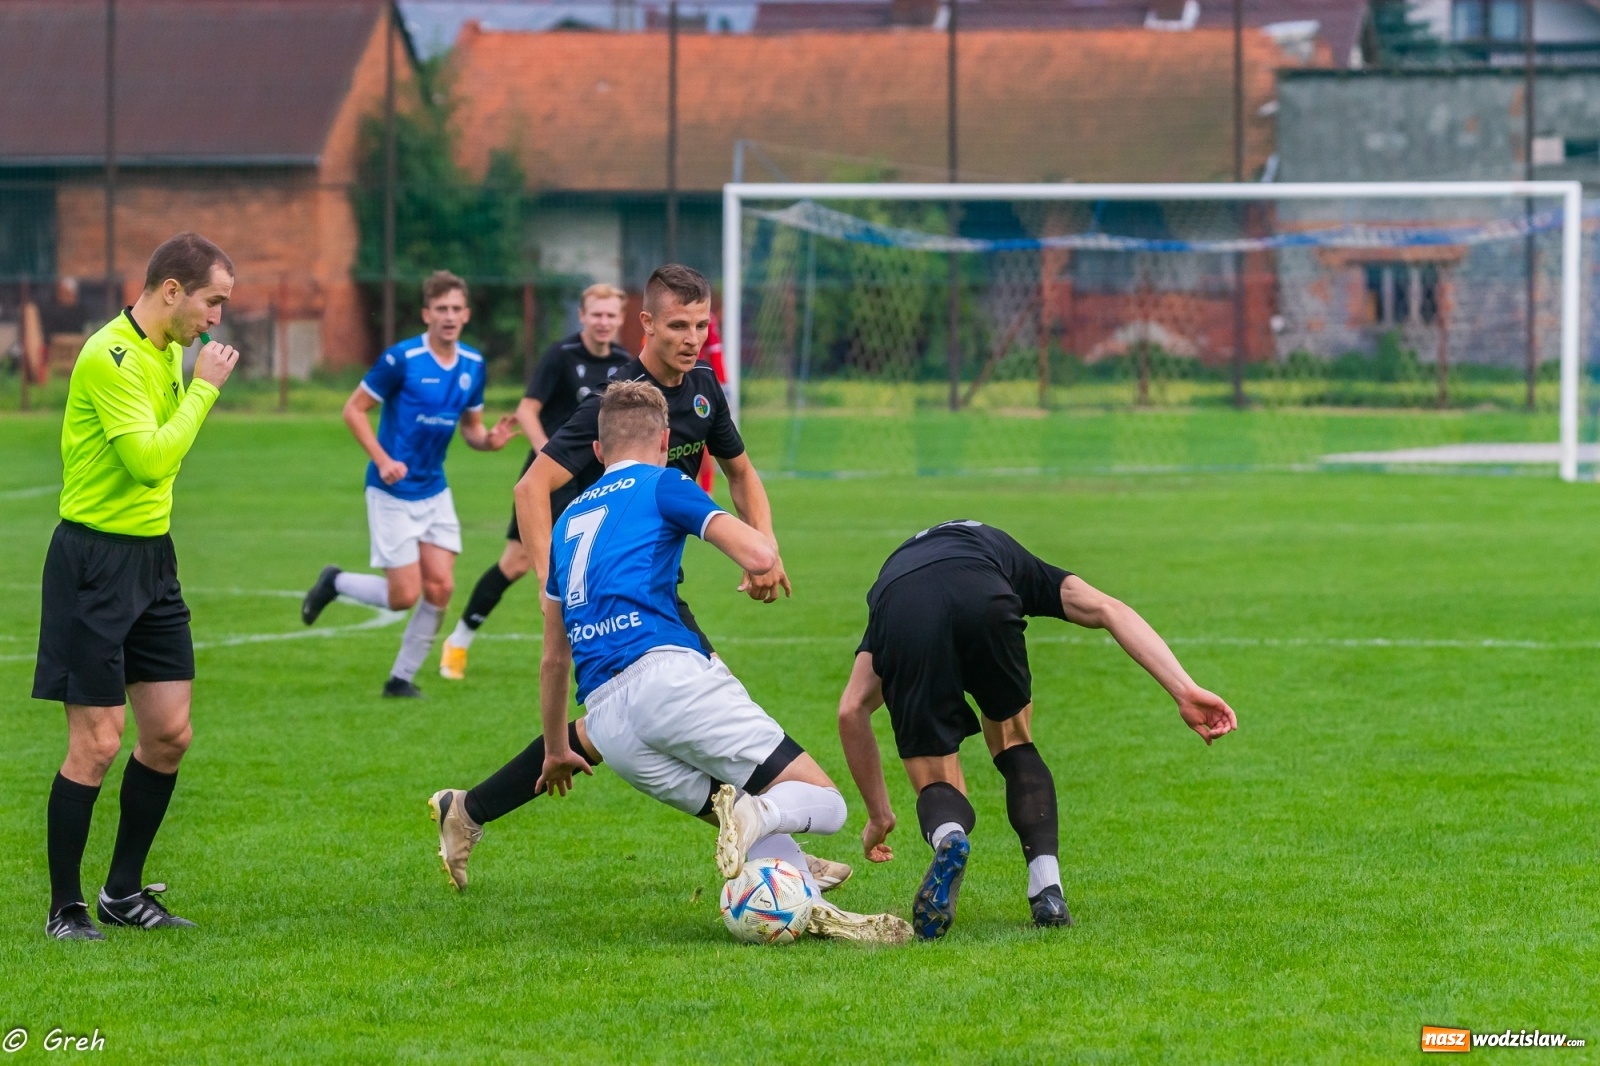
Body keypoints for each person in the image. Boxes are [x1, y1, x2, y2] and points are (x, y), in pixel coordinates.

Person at [426, 264, 852, 894]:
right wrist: (557, 582)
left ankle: (467, 810)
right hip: (624, 584)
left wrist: (769, 548)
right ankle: (781, 838)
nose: (692, 338)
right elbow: (531, 486)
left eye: (702, 325)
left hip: (656, 587)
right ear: (646, 323)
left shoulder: (704, 387)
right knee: (661, 711)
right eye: (678, 325)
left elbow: (740, 471)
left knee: (612, 727)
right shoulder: (618, 403)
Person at [530, 380, 909, 942]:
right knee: (824, 805)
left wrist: (558, 749)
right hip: (668, 678)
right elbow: (759, 552)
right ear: (665, 440)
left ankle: (801, 904)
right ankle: (760, 820)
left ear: (596, 451)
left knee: (745, 800)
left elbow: (553, 659)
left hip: (610, 725)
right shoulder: (665, 483)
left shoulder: (565, 524)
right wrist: (760, 559)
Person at [836, 520, 1239, 940]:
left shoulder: (894, 583)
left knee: (935, 777)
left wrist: (879, 815)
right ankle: (1047, 889)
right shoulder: (1008, 557)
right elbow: (1108, 610)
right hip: (984, 594)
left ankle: (948, 836)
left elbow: (851, 711)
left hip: (905, 611)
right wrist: (1184, 690)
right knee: (1013, 743)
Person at [34, 232, 241, 940]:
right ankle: (65, 908)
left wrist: (194, 379)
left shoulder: (167, 352)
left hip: (153, 561)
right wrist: (206, 391)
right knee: (96, 742)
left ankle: (123, 892)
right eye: (212, 302)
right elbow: (151, 461)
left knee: (169, 735)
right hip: (93, 564)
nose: (216, 320)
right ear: (172, 290)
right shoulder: (111, 356)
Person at [299, 271, 518, 697]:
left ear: (466, 314)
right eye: (441, 309)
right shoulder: (402, 359)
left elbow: (471, 429)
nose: (449, 317)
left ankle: (401, 678)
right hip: (392, 492)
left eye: (456, 309)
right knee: (403, 596)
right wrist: (382, 461)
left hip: (434, 489)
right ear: (427, 314)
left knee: (441, 586)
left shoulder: (473, 366)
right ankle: (335, 582)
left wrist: (489, 441)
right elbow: (354, 410)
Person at [438, 283, 632, 680]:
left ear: (621, 320)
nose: (603, 322)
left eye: (611, 315)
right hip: (550, 473)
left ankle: (605, 655)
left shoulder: (627, 363)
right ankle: (457, 641)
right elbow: (527, 410)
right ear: (582, 315)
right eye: (596, 314)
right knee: (516, 563)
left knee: (598, 562)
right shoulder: (561, 356)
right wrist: (550, 453)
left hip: (599, 477)